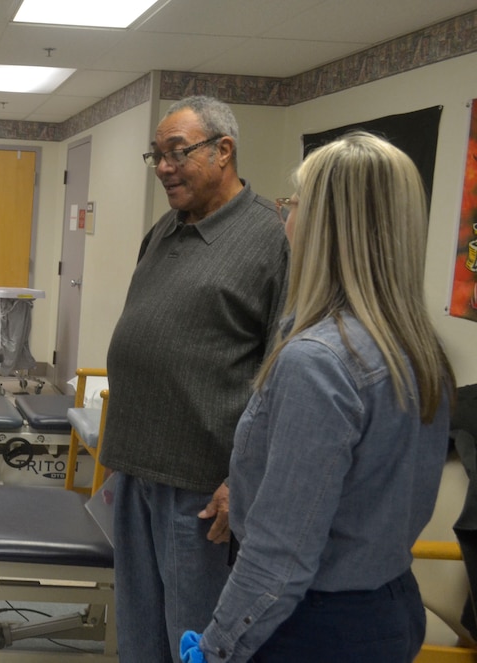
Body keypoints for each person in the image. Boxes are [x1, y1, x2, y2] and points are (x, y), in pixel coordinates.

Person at [181, 131, 455, 663]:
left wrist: (216, 649)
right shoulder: (420, 350)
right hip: (389, 606)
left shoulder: (319, 362)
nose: (287, 219)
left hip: (312, 626)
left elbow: (280, 557)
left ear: (326, 225)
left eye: (293, 205)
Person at [100, 95, 290, 662]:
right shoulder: (165, 229)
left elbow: (283, 373)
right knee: (138, 634)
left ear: (223, 150)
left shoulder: (271, 240)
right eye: (155, 155)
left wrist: (244, 478)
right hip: (135, 469)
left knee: (194, 640)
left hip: (203, 489)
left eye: (176, 153)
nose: (162, 167)